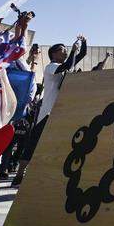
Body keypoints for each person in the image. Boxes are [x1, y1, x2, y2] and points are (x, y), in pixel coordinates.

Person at [12, 34, 86, 186]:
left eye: (66, 50)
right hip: (46, 113)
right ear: (53, 54)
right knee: (34, 143)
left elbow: (82, 55)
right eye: (62, 50)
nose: (65, 52)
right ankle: (19, 174)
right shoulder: (51, 66)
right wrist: (72, 52)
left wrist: (83, 42)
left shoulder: (62, 66)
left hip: (58, 113)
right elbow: (66, 66)